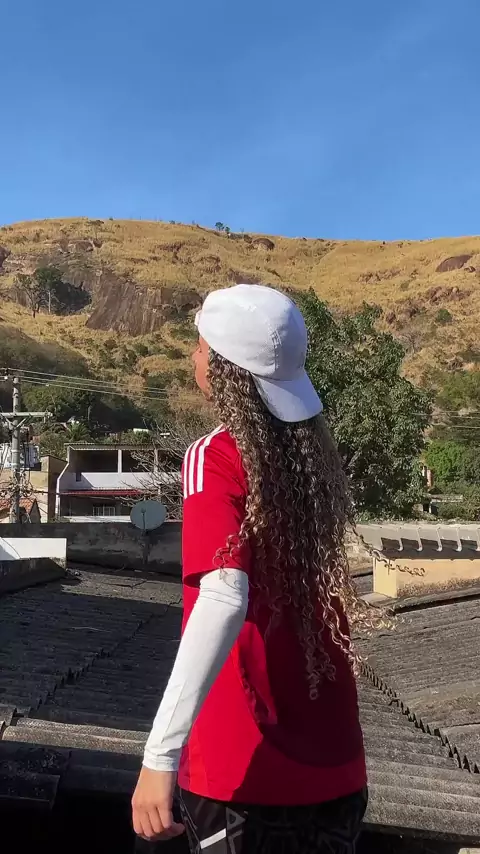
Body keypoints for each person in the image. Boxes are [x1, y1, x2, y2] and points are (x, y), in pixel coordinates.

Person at [132, 284, 367, 853]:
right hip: (335, 760)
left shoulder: (214, 456)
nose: (193, 356)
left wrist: (159, 757)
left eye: (200, 346)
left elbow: (222, 599)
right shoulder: (310, 458)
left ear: (223, 370)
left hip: (241, 768)